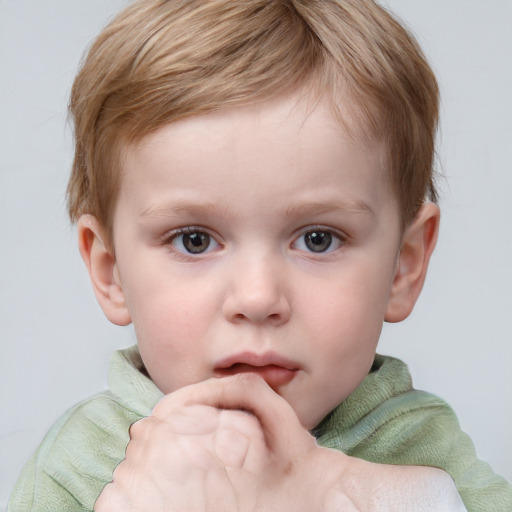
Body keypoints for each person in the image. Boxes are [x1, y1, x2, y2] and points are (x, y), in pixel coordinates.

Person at [8, 0, 512, 510]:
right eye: (194, 240)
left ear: (404, 265)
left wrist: (342, 493)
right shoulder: (78, 468)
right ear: (111, 271)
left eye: (318, 239)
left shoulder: (424, 457)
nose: (257, 297)